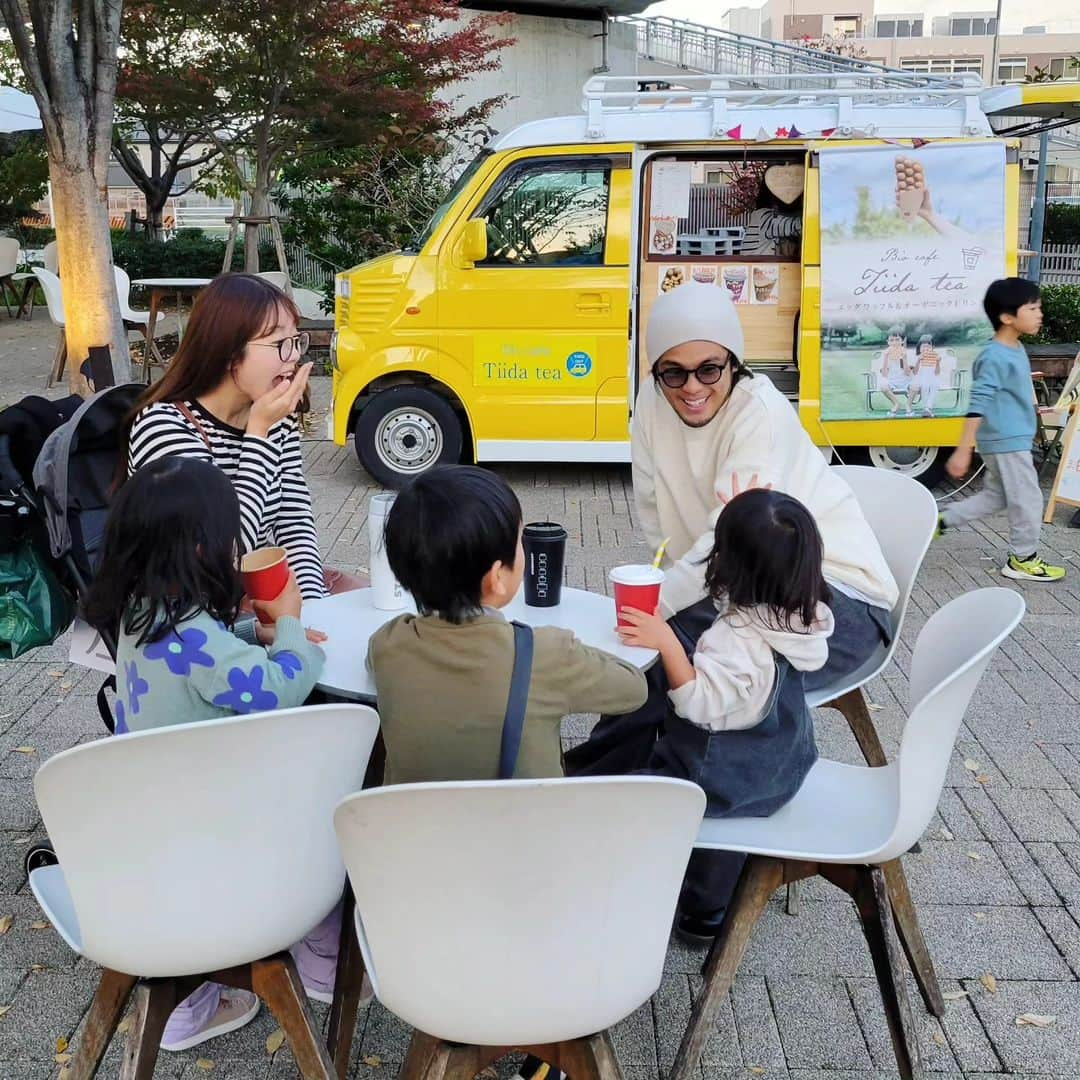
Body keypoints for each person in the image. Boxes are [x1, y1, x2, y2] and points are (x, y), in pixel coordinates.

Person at [563, 280, 898, 938]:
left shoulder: (759, 412)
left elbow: (723, 535)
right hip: (735, 586)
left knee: (694, 660)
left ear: (734, 364)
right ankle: (608, 797)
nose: (691, 387)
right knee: (666, 651)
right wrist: (651, 607)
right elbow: (661, 526)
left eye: (709, 368)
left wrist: (653, 618)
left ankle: (678, 863)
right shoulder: (650, 409)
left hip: (833, 595)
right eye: (673, 372)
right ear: (653, 369)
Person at [81, 456, 334, 1053]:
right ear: (201, 548)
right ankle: (319, 967)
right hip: (213, 838)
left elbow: (201, 655)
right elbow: (278, 690)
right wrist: (291, 627)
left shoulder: (142, 613)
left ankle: (186, 1002)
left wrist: (249, 635)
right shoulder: (195, 637)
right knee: (324, 806)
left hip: (151, 821)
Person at [368, 465, 649, 784]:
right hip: (526, 831)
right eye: (519, 541)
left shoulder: (387, 644)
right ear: (497, 578)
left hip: (416, 830)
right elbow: (634, 689)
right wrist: (570, 649)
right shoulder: (549, 653)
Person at [126, 273, 360, 604]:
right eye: (279, 344)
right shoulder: (166, 427)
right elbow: (223, 553)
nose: (294, 356)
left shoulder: (270, 415)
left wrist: (312, 606)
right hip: (188, 617)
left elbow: (294, 522)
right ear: (228, 352)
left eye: (297, 341)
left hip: (253, 592)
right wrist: (259, 435)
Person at [618, 488, 833, 817]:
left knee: (614, 798)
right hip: (782, 774)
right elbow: (743, 585)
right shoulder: (800, 616)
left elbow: (698, 701)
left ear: (732, 561)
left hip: (717, 784)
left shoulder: (736, 636)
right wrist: (743, 523)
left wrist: (666, 640)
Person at [940, 278, 1065, 582]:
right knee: (1029, 499)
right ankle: (1022, 558)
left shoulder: (1014, 348)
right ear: (1007, 317)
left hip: (1010, 439)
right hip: (1006, 442)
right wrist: (962, 450)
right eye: (1032, 308)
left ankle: (938, 523)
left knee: (997, 498)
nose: (1040, 314)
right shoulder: (995, 355)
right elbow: (978, 402)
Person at [874, 325, 914, 417]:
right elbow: (884, 374)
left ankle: (908, 405)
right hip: (892, 381)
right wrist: (885, 357)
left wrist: (904, 358)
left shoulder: (907, 353)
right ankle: (896, 404)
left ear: (902, 341)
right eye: (891, 340)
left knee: (915, 386)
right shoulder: (886, 354)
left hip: (906, 381)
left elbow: (907, 373)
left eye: (897, 340)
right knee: (883, 386)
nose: (894, 343)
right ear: (888, 342)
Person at [908, 334, 943, 418]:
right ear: (919, 347)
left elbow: (937, 373)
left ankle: (928, 408)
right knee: (925, 386)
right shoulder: (917, 357)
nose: (925, 349)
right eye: (923, 347)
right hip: (920, 378)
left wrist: (938, 362)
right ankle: (927, 408)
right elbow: (915, 372)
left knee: (935, 385)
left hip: (932, 377)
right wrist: (918, 360)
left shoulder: (935, 357)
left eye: (928, 347)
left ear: (932, 347)